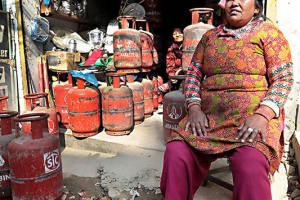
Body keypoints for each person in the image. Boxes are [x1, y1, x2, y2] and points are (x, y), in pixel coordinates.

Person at [160, 0, 294, 200]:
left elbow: (283, 79)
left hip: (250, 122)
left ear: (256, 7)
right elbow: (193, 76)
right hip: (208, 120)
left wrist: (262, 115)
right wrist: (194, 108)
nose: (235, 2)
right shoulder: (210, 37)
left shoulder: (269, 34)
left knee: (250, 164)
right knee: (176, 152)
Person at [158, 28, 184, 93]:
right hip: (176, 73)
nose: (177, 35)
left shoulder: (187, 46)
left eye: (179, 33)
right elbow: (169, 63)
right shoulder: (171, 48)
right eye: (175, 34)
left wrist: (181, 70)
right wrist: (171, 75)